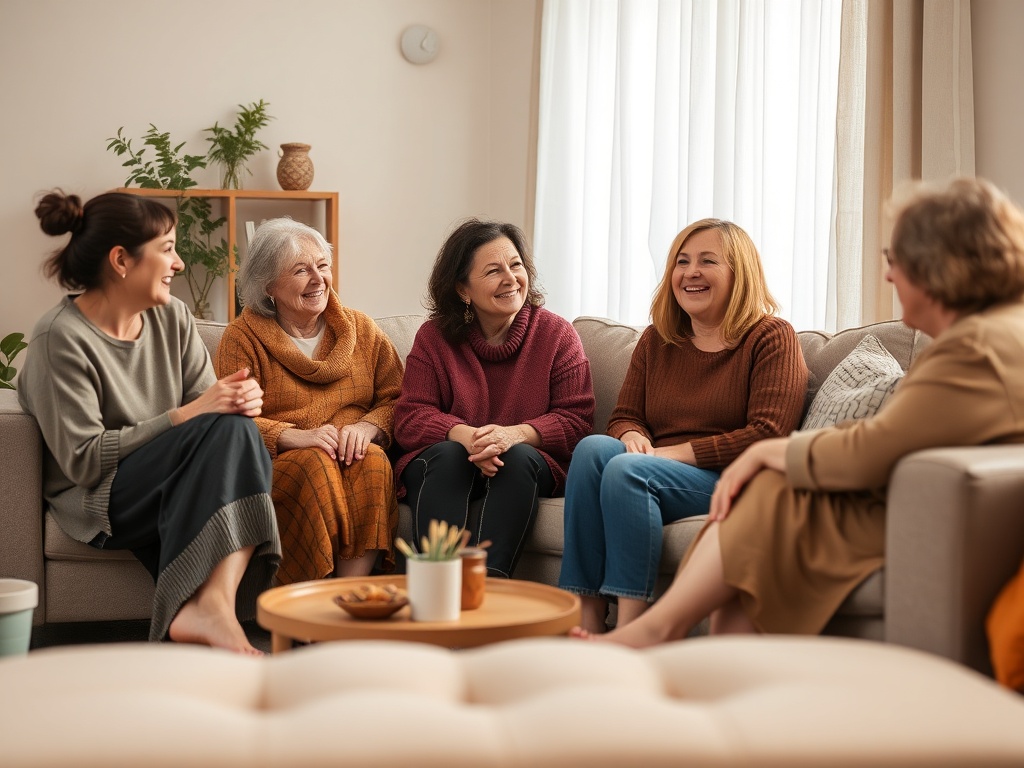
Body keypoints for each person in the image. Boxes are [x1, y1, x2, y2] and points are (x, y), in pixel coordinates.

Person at [584, 177, 1024, 647]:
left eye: (895, 260)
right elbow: (887, 436)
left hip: (903, 503)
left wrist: (766, 454)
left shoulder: (976, 348)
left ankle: (657, 629)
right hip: (913, 492)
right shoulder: (988, 334)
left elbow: (872, 446)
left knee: (767, 491)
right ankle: (704, 649)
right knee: (604, 453)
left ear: (940, 264)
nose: (889, 276)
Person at [20, 190, 281, 655]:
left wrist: (238, 400)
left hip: (171, 474)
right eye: (167, 249)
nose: (178, 263)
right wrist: (186, 414)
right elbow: (83, 463)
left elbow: (212, 417)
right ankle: (206, 610)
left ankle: (214, 605)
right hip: (102, 495)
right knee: (228, 430)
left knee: (239, 428)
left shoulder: (173, 317)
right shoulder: (59, 337)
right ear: (121, 260)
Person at [558, 218, 809, 634]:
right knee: (592, 450)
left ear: (739, 273)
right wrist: (633, 435)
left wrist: (666, 455)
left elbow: (768, 433)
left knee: (626, 470)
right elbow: (625, 415)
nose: (691, 272)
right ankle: (586, 618)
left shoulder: (771, 337)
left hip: (729, 477)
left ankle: (631, 628)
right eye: (682, 261)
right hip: (657, 466)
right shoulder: (658, 339)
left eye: (707, 261)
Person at [393, 218, 595, 577]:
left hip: (523, 465)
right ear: (463, 289)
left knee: (517, 456)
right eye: (493, 271)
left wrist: (512, 435)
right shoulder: (434, 337)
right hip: (450, 462)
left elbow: (576, 421)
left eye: (515, 265)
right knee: (451, 454)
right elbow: (410, 417)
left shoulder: (557, 335)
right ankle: (435, 583)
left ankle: (489, 588)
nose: (510, 278)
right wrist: (470, 438)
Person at [216, 218, 403, 584]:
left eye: (322, 266)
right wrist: (293, 436)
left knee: (372, 460)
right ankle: (308, 598)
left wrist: (367, 427)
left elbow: (398, 397)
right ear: (268, 285)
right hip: (280, 463)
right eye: (301, 270)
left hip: (350, 451)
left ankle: (348, 594)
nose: (318, 280)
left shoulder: (362, 330)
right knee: (315, 462)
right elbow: (229, 419)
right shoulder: (242, 338)